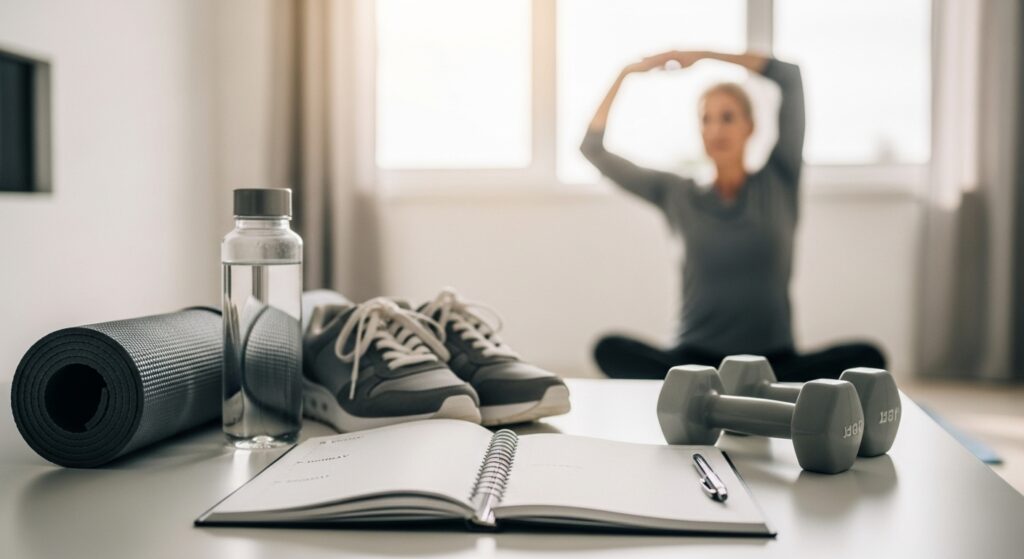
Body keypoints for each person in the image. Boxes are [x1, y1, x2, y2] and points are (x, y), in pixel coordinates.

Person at [581, 50, 886, 382]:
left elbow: (789, 76)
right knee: (609, 348)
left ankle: (723, 393)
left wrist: (700, 55)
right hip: (694, 363)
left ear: (750, 127)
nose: (715, 130)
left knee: (869, 358)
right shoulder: (676, 194)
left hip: (773, 364)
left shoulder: (779, 180)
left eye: (727, 117)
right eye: (706, 119)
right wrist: (625, 73)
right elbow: (592, 149)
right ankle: (715, 388)